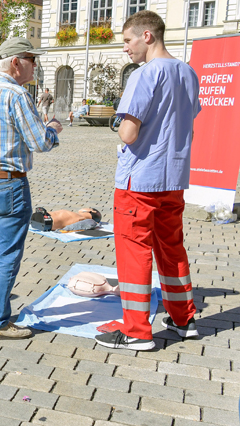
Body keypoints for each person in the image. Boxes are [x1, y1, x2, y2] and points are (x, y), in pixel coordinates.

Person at [94, 11, 201, 351]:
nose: (126, 48)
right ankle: (184, 319)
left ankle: (137, 330)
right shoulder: (188, 72)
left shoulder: (145, 75)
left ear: (147, 36)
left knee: (134, 251)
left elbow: (128, 132)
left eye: (128, 40)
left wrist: (121, 127)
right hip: (174, 176)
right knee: (172, 248)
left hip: (140, 179)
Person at [0, 37, 62, 340]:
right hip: (8, 181)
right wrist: (54, 130)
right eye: (32, 59)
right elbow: (39, 142)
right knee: (8, 252)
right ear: (16, 62)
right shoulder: (17, 94)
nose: (36, 64)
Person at [31, 207, 101, 231]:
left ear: (92, 211)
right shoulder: (78, 217)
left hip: (48, 221)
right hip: (46, 220)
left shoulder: (81, 218)